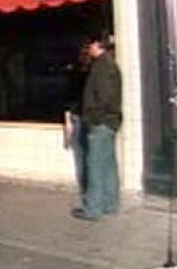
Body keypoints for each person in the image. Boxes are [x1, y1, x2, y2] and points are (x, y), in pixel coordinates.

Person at [72, 34, 122, 222]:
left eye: (89, 45)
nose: (88, 49)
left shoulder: (101, 66)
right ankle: (110, 203)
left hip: (101, 123)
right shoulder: (110, 64)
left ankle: (92, 208)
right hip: (110, 122)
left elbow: (102, 97)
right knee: (108, 164)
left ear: (96, 45)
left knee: (94, 164)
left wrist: (93, 119)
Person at [63, 43, 91, 199]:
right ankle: (87, 188)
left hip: (80, 116)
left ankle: (85, 189)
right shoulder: (90, 73)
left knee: (81, 154)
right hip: (83, 116)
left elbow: (68, 100)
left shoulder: (75, 74)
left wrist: (67, 124)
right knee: (84, 154)